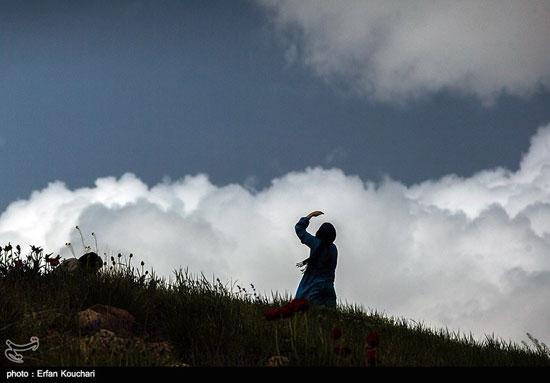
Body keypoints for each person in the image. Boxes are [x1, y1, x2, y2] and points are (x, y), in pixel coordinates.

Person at [294, 210, 338, 307]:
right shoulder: (334, 249)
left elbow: (299, 229)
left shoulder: (315, 243)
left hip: (312, 285)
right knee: (330, 316)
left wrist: (311, 215)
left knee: (300, 308)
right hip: (329, 288)